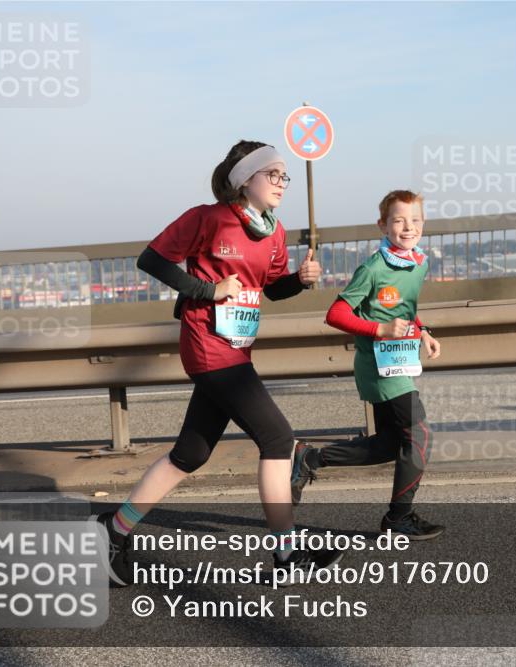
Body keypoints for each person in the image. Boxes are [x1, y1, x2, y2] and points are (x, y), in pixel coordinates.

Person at [94, 140, 342, 586]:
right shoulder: (208, 218)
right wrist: (208, 291)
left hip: (237, 347)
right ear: (245, 179)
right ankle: (287, 556)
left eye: (286, 176)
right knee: (278, 438)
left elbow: (271, 289)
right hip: (208, 346)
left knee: (190, 454)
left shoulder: (274, 231)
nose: (282, 183)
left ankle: (113, 531)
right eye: (274, 174)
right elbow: (151, 259)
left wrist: (299, 282)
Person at [290, 190, 444, 540]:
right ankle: (399, 517)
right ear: (383, 225)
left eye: (415, 220)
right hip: (377, 365)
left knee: (391, 443)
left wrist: (422, 332)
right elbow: (336, 314)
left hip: (400, 362)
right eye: (399, 220)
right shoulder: (373, 268)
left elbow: (402, 308)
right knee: (419, 436)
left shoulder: (419, 262)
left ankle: (310, 458)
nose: (408, 227)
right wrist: (380, 329)